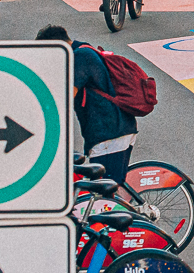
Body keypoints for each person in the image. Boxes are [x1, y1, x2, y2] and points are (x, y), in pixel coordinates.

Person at [35, 24, 140, 184]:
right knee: (107, 188)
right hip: (115, 130)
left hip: (110, 134)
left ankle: (127, 209)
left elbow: (67, 96)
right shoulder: (84, 51)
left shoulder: (80, 57)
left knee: (102, 197)